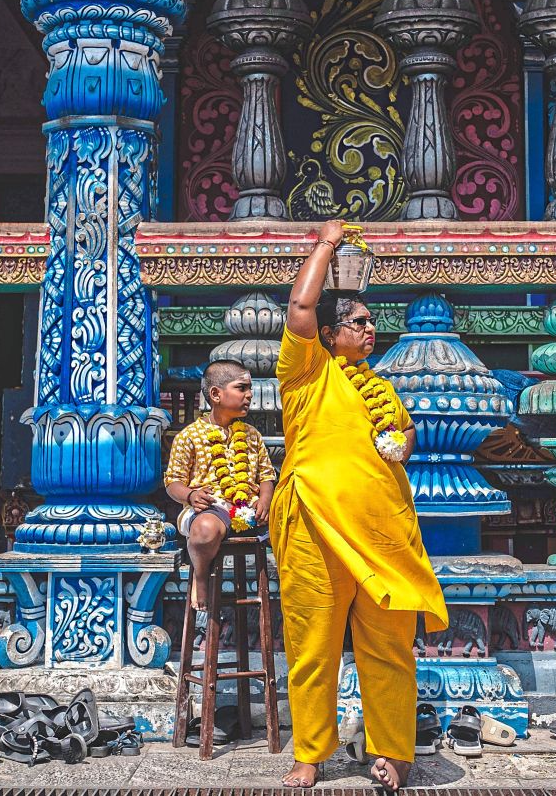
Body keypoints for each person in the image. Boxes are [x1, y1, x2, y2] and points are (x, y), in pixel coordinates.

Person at [272, 219, 447, 791]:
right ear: (328, 335)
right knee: (313, 647)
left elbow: (404, 433)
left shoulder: (380, 384)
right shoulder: (305, 375)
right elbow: (300, 307)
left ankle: (393, 751)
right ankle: (310, 753)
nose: (371, 328)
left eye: (372, 321)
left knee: (390, 648)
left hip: (382, 537)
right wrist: (326, 242)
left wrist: (404, 441)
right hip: (316, 528)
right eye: (359, 322)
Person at [164, 360, 277, 612]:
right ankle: (201, 577)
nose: (249, 395)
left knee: (296, 524)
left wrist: (265, 501)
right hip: (209, 509)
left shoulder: (251, 435)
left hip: (250, 511)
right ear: (216, 394)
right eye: (241, 388)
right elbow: (173, 482)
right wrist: (191, 495)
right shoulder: (189, 436)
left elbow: (267, 476)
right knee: (204, 530)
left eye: (249, 389)